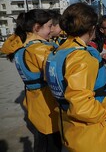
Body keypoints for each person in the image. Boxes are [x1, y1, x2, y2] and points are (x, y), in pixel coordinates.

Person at [45, 3, 106, 152]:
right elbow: (81, 105)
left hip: (69, 126)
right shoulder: (81, 57)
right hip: (92, 132)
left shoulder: (57, 52)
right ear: (92, 28)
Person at [1, 9, 62, 152]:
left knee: (41, 142)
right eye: (49, 26)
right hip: (48, 109)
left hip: (35, 106)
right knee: (50, 145)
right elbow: (60, 75)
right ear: (36, 27)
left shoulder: (20, 48)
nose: (51, 29)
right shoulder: (40, 50)